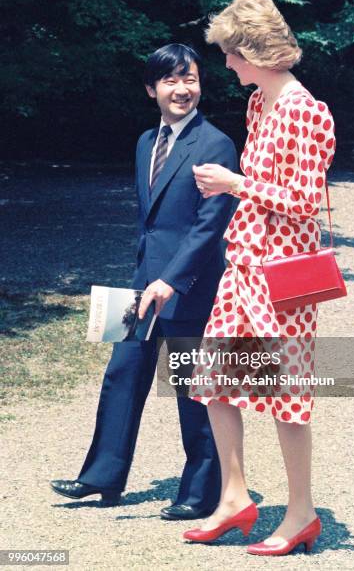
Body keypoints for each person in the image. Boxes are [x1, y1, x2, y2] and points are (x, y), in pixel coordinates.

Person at [50, 43, 238, 521]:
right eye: (172, 80)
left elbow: (208, 226)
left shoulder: (215, 144)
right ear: (152, 89)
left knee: (191, 389)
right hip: (141, 284)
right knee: (122, 375)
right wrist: (146, 276)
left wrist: (172, 280)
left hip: (192, 286)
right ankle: (101, 477)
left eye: (191, 78)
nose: (183, 89)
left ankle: (200, 492)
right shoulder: (142, 143)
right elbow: (151, 223)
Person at [181, 0, 336, 554]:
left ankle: (301, 514)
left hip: (285, 276)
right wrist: (234, 186)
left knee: (287, 396)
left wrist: (233, 183)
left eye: (229, 54)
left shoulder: (307, 111)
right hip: (242, 263)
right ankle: (233, 497)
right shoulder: (259, 107)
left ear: (253, 51)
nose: (226, 65)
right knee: (215, 380)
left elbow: (303, 202)